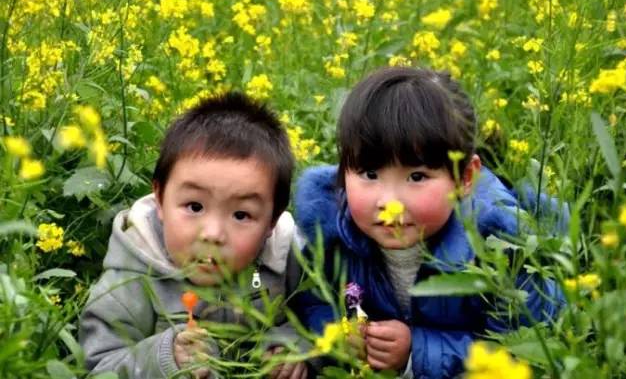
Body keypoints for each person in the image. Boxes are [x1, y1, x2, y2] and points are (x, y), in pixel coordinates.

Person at [293, 67, 566, 378]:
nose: (388, 202)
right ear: (343, 172)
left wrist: (416, 351)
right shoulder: (329, 233)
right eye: (370, 174)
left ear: (465, 178)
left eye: (417, 177)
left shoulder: (503, 247)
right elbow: (312, 301)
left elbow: (524, 347)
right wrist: (339, 334)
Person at [80, 92, 308, 378]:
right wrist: (164, 357)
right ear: (160, 198)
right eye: (195, 206)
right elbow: (98, 368)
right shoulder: (128, 282)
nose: (212, 234)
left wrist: (295, 349)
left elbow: (322, 316)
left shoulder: (290, 258)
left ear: (272, 221)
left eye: (241, 215)